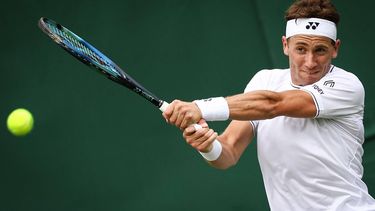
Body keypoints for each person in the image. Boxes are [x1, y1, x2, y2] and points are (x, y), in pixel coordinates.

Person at [162, 0, 375, 210]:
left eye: (320, 50)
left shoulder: (347, 85)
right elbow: (229, 152)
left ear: (335, 48)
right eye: (301, 49)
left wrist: (200, 107)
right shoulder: (265, 81)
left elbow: (273, 104)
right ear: (285, 45)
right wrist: (208, 146)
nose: (310, 62)